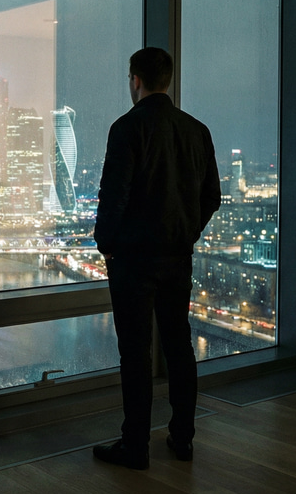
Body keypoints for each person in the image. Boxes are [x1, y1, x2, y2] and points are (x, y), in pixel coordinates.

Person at [93, 47, 221, 470]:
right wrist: (188, 231)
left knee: (136, 352)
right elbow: (212, 197)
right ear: (168, 79)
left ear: (135, 80)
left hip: (133, 259)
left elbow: (115, 195)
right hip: (176, 257)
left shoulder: (127, 128)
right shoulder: (196, 130)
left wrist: (105, 243)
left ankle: (136, 447)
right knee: (179, 345)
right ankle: (182, 438)